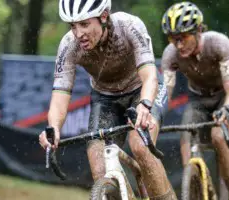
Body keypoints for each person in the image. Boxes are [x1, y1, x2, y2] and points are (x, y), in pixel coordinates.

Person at [39, 0, 177, 199]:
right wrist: (53, 128)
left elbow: (150, 77)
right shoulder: (69, 45)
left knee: (139, 144)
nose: (78, 34)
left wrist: (145, 105)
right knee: (98, 161)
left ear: (103, 16)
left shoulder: (129, 26)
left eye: (84, 24)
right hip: (105, 98)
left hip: (143, 90)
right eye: (73, 26)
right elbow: (60, 95)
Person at [161, 2, 229, 200]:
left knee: (218, 136)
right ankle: (192, 187)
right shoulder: (170, 54)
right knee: (185, 134)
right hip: (198, 98)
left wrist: (226, 109)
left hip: (228, 95)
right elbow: (165, 92)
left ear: (198, 30)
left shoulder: (218, 44)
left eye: (183, 38)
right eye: (173, 39)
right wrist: (153, 112)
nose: (178, 45)